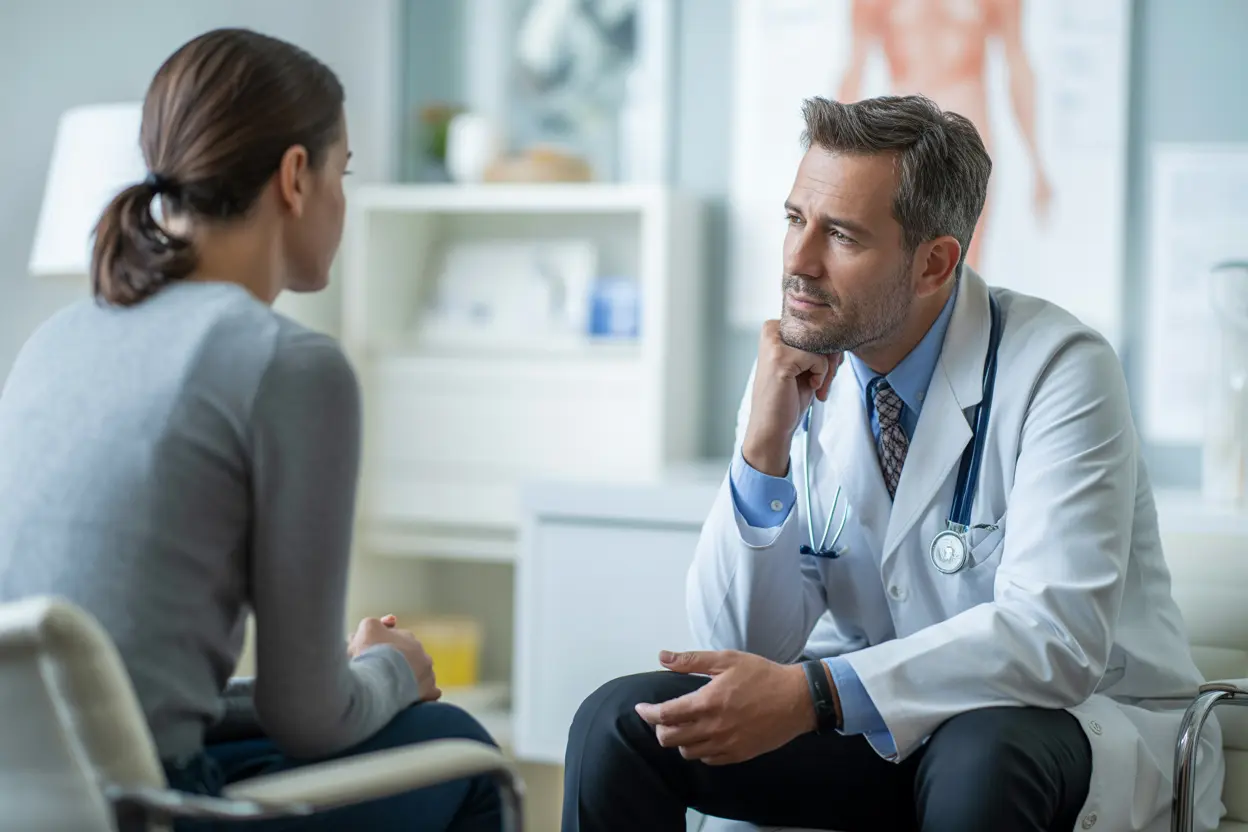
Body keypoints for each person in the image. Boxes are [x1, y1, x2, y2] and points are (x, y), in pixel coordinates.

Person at [562, 95, 1225, 831]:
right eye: (794, 220)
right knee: (616, 727)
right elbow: (741, 650)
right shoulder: (795, 373)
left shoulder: (1060, 369)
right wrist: (763, 451)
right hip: (879, 729)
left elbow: (1056, 641)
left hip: (1063, 730)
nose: (798, 262)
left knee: (981, 754)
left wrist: (818, 694)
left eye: (841, 235)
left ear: (934, 263)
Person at [0, 28, 500, 832]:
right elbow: (310, 722)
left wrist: (346, 673)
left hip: (31, 802)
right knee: (455, 742)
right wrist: (394, 671)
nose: (344, 199)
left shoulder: (56, 338)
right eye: (344, 173)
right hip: (154, 807)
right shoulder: (291, 367)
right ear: (296, 177)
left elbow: (123, 698)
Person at [837, 0, 1052, 269]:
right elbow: (854, 68)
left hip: (969, 137)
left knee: (964, 262)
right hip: (904, 140)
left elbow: (1017, 62)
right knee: (903, 258)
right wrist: (838, 158)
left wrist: (1036, 160)